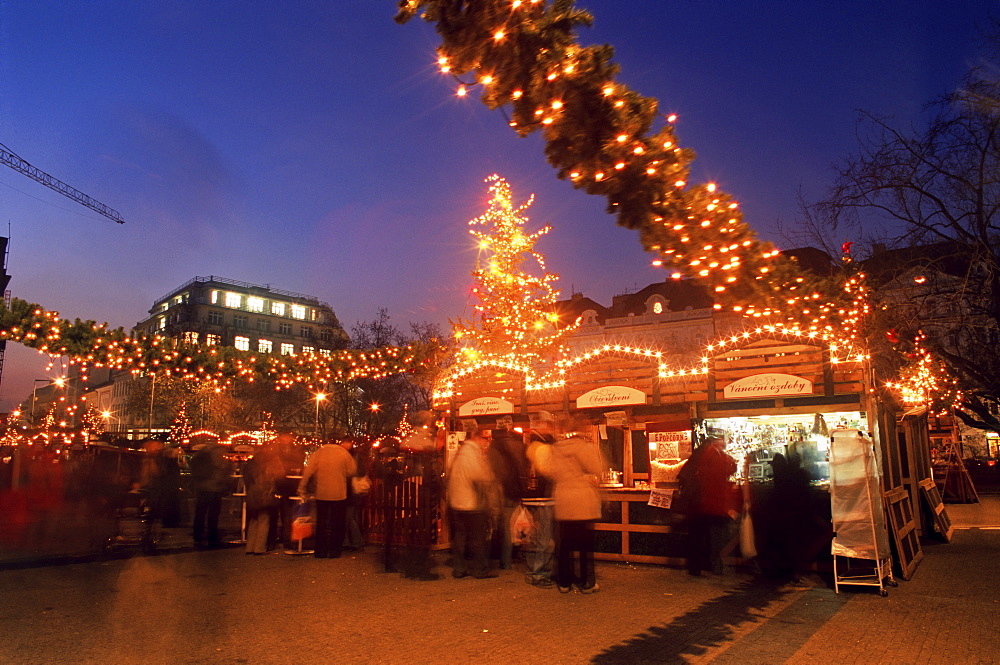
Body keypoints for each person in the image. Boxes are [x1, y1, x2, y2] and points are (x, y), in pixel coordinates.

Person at [545, 412, 604, 594]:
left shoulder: (555, 449)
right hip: (583, 502)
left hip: (563, 500)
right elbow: (597, 467)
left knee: (564, 545)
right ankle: (587, 583)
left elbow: (549, 471)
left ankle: (564, 582)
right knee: (586, 546)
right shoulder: (584, 447)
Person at [680, 433, 738, 576]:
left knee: (697, 537)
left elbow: (683, 477)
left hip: (697, 505)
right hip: (706, 504)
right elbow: (729, 469)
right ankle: (710, 564)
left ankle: (697, 567)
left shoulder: (697, 459)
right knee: (711, 536)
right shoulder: (714, 456)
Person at [447, 423, 498, 579]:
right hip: (471, 503)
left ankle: (459, 569)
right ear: (475, 437)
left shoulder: (460, 453)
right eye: (483, 438)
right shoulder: (472, 453)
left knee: (460, 538)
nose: (485, 441)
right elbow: (479, 476)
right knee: (478, 538)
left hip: (456, 502)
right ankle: (480, 569)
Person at [298, 438, 357, 559]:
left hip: (322, 493)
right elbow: (351, 471)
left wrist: (302, 487)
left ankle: (320, 550)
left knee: (322, 523)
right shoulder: (343, 453)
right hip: (339, 494)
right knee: (337, 523)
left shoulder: (319, 453)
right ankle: (335, 550)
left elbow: (308, 471)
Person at [522, 410, 557, 587]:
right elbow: (548, 471)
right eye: (548, 424)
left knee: (539, 537)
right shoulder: (541, 446)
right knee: (543, 538)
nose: (550, 428)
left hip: (536, 497)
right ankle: (538, 573)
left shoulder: (533, 444)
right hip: (543, 497)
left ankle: (538, 570)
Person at [486, 418, 527, 570]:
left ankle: (497, 558)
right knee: (510, 526)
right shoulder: (520, 445)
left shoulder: (494, 447)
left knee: (497, 525)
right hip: (514, 491)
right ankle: (508, 559)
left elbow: (490, 470)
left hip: (498, 490)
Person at [190, 439, 234, 548]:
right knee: (213, 514)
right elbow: (221, 468)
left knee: (200, 513)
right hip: (214, 488)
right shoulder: (219, 453)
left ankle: (198, 536)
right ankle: (212, 537)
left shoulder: (202, 453)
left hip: (202, 487)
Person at [243, 443, 285, 555]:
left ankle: (250, 546)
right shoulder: (270, 462)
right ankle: (260, 547)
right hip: (265, 493)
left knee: (253, 520)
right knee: (264, 520)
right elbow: (279, 475)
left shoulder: (252, 463)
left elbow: (246, 478)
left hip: (252, 493)